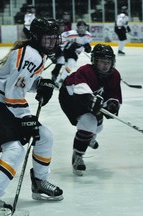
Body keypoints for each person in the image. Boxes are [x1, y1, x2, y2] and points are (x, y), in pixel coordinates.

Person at [0, 17, 64, 214]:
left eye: (54, 38)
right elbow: (13, 92)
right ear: (36, 37)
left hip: (3, 102)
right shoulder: (31, 55)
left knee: (45, 136)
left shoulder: (34, 53)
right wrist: (25, 117)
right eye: (48, 38)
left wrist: (38, 84)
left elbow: (10, 78)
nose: (52, 42)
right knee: (15, 150)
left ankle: (39, 182)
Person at [58, 44, 122, 176]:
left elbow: (114, 95)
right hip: (70, 99)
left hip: (91, 99)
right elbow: (79, 89)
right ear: (95, 61)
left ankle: (89, 136)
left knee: (98, 127)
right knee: (88, 123)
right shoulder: (86, 71)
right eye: (102, 62)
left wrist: (112, 104)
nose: (105, 65)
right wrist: (89, 98)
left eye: (108, 62)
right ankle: (78, 155)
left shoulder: (115, 75)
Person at [55, 20, 93, 86]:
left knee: (66, 66)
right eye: (80, 28)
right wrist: (65, 46)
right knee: (71, 64)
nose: (82, 29)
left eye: (84, 27)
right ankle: (62, 79)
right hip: (67, 50)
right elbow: (61, 37)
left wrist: (88, 48)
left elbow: (87, 47)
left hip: (76, 53)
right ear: (77, 28)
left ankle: (58, 80)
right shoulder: (71, 33)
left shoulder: (88, 36)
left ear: (86, 28)